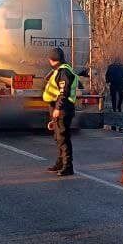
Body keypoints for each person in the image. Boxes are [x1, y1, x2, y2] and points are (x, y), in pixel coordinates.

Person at [42, 47, 80, 176]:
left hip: (63, 108)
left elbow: (64, 93)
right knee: (58, 137)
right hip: (57, 107)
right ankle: (60, 163)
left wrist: (58, 108)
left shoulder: (64, 72)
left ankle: (67, 166)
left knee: (63, 138)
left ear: (51, 59)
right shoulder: (59, 70)